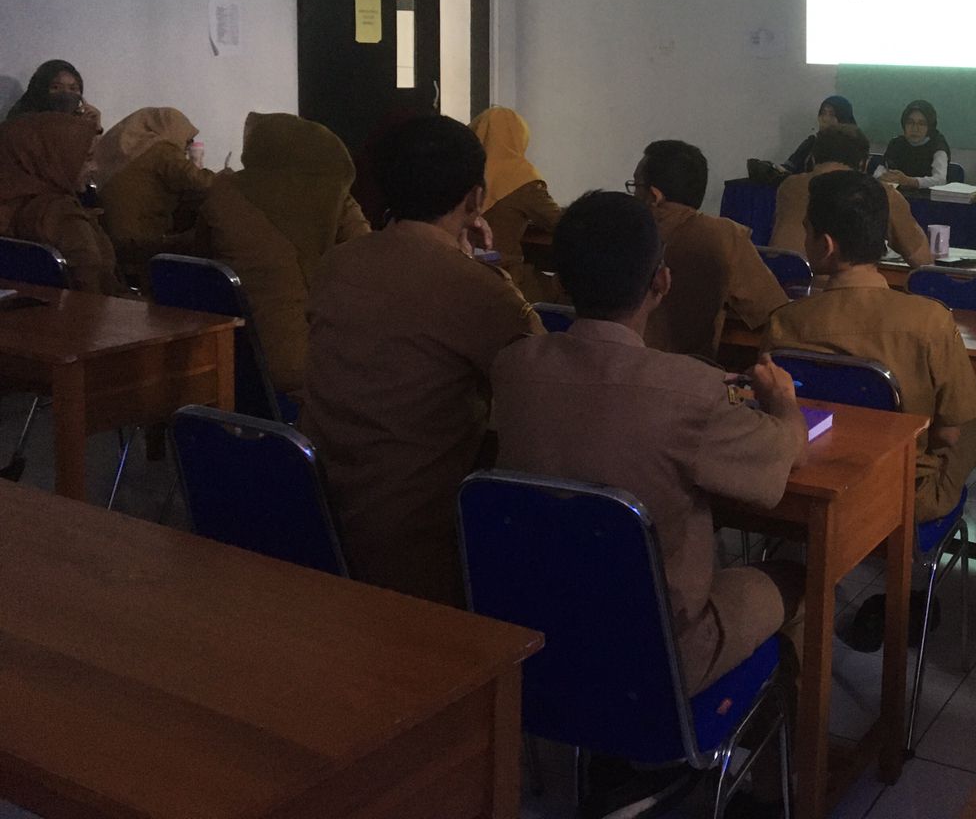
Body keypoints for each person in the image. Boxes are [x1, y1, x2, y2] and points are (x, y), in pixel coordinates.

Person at [495, 190, 807, 694]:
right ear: (661, 281)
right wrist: (783, 402)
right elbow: (789, 456)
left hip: (538, 630)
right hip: (660, 652)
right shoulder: (692, 390)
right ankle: (757, 745)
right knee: (799, 579)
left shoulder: (512, 369)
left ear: (561, 278)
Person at [301, 115, 540, 606]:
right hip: (417, 554)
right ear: (476, 200)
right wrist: (485, 269)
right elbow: (544, 377)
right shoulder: (476, 291)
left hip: (314, 525)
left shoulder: (336, 266)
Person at [765, 170, 976, 525]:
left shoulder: (785, 321)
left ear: (823, 244)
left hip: (812, 479)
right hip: (902, 493)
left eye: (805, 230)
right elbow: (949, 433)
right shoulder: (930, 320)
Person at [193, 113, 370, 396]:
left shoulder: (224, 192)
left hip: (226, 365)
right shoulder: (334, 197)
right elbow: (369, 261)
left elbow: (193, 257)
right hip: (315, 366)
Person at [632, 139, 788, 359]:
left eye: (635, 186)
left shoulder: (617, 231)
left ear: (654, 196)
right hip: (688, 378)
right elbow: (771, 310)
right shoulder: (723, 236)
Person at [771, 123, 932, 269]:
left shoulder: (789, 186)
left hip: (782, 288)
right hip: (839, 294)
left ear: (812, 158)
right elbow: (922, 261)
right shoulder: (879, 193)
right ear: (864, 164)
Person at [0, 109, 119, 293]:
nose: (95, 167)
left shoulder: (10, 203)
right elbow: (92, 291)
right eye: (87, 158)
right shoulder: (62, 217)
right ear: (50, 159)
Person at [95, 107, 212, 285]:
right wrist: (232, 178)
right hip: (141, 244)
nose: (187, 146)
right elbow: (201, 182)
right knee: (203, 240)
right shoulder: (162, 150)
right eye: (188, 139)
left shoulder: (126, 150)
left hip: (110, 241)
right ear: (174, 129)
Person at [470, 106, 562, 301]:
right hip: (505, 277)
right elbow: (560, 222)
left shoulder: (463, 173)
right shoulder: (521, 178)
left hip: (465, 273)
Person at [7, 59, 101, 131]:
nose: (66, 93)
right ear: (40, 91)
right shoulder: (21, 126)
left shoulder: (81, 122)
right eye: (56, 87)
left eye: (73, 88)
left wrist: (95, 128)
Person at [876, 99, 950, 189]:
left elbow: (940, 180)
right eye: (910, 122)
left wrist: (909, 181)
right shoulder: (896, 143)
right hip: (897, 196)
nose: (915, 128)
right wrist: (883, 177)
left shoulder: (938, 145)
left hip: (927, 200)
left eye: (922, 124)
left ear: (930, 126)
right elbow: (879, 172)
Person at [782, 94, 855, 174]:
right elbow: (788, 169)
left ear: (843, 119)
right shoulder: (811, 142)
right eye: (823, 113)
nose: (825, 119)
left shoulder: (852, 147)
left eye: (832, 114)